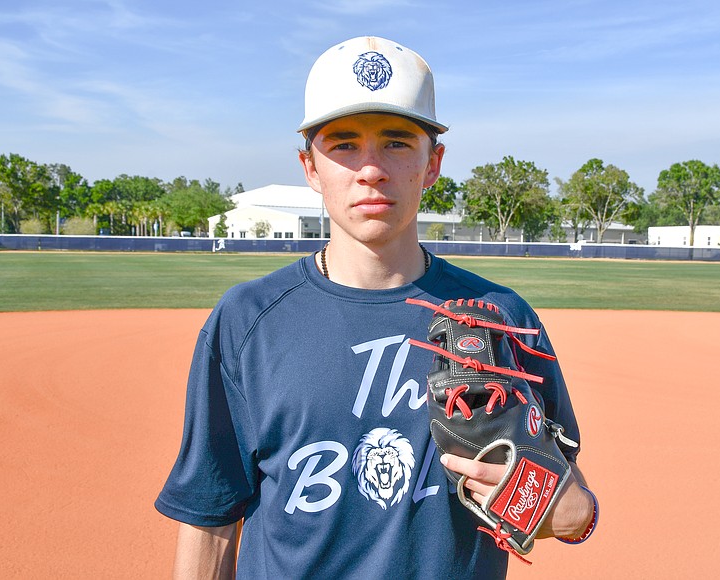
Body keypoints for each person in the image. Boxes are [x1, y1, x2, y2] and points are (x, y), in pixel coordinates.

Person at [156, 36, 596, 579]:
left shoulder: (499, 317)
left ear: (432, 163)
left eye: (396, 143)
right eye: (343, 145)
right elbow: (210, 511)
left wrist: (572, 510)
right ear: (310, 167)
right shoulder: (248, 320)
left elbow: (572, 508)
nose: (371, 169)